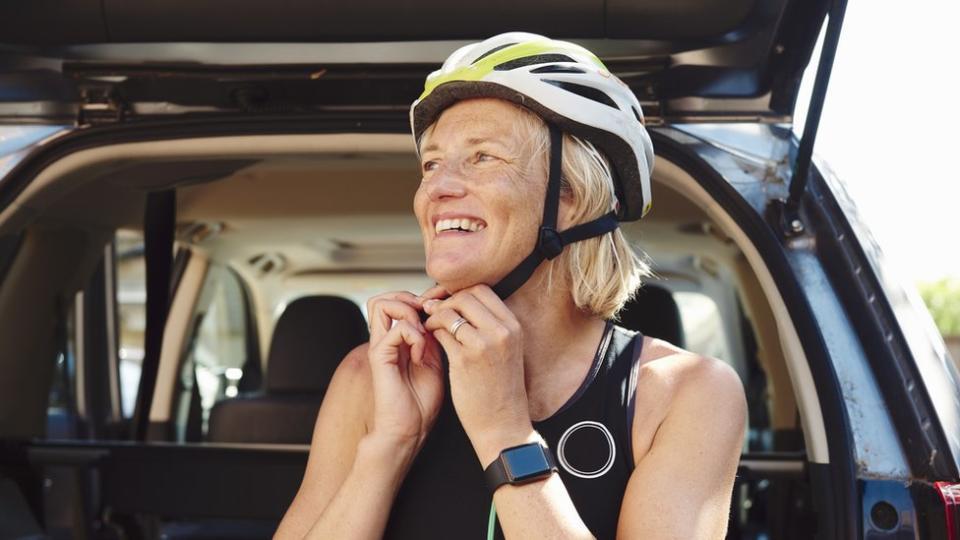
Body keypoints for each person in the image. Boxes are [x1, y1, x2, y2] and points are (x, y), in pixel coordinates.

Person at [276, 32, 747, 540]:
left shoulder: (685, 392)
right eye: (431, 163)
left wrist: (505, 432)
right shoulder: (369, 377)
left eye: (482, 157)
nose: (436, 187)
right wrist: (389, 446)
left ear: (574, 198)